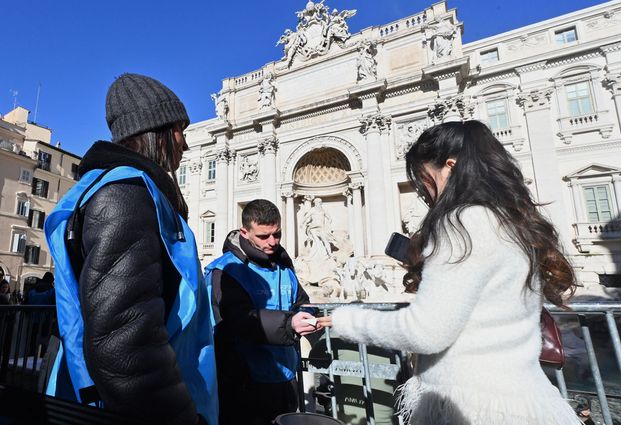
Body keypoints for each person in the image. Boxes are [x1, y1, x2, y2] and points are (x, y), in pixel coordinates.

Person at [318, 121, 582, 424]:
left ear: (450, 167)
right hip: (524, 397)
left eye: (424, 179)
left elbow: (425, 332)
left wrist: (348, 319)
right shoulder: (512, 221)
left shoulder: (462, 224)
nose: (425, 194)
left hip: (471, 404)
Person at [43, 73, 217, 425]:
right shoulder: (126, 196)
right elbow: (125, 343)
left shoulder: (124, 192)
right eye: (180, 130)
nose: (184, 144)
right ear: (157, 130)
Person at [204, 199, 321, 425]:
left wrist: (308, 315)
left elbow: (302, 301)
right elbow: (236, 320)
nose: (273, 242)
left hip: (285, 377)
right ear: (245, 233)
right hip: (243, 383)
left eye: (277, 234)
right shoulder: (224, 271)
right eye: (263, 236)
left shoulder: (284, 266)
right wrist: (289, 324)